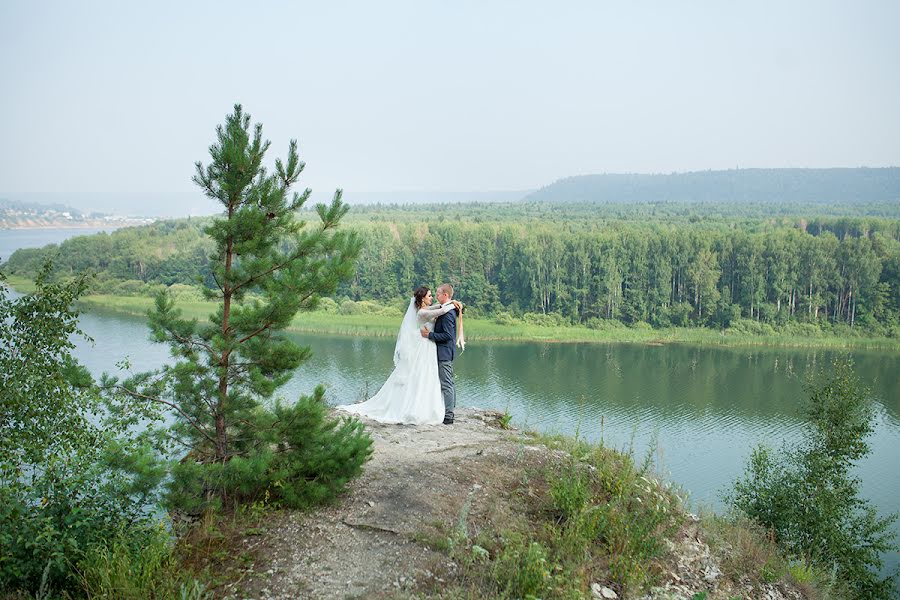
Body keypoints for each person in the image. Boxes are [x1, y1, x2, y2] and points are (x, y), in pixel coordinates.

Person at [337, 286, 461, 425]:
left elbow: (440, 309)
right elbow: (442, 309)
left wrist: (452, 303)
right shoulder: (422, 312)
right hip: (425, 346)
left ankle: (442, 410)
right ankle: (428, 409)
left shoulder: (428, 309)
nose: (433, 297)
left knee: (431, 379)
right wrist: (453, 305)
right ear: (422, 298)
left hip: (430, 348)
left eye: (435, 294)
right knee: (422, 378)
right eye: (430, 295)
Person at [420, 283, 460, 425]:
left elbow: (448, 335)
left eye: (438, 294)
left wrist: (429, 335)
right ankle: (448, 410)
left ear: (446, 295)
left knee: (447, 384)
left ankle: (449, 416)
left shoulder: (448, 313)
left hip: (444, 353)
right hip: (443, 352)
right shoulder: (446, 309)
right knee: (448, 382)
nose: (436, 296)